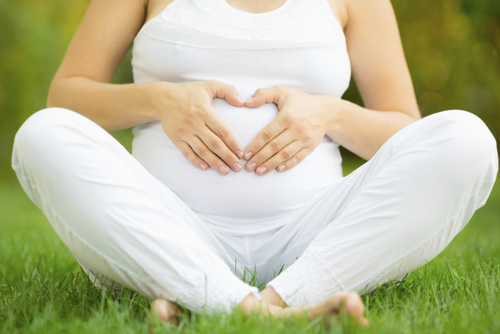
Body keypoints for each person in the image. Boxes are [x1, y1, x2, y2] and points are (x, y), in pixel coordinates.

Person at [11, 0, 498, 326]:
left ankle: (230, 298)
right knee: (42, 135)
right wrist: (159, 100)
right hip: (171, 227)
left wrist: (331, 112)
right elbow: (66, 97)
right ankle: (263, 305)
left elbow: (404, 133)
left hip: (312, 235)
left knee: (467, 140)